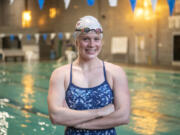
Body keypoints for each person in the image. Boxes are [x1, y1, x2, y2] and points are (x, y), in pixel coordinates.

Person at [47, 16, 130, 135]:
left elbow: (123, 116)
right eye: (86, 39)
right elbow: (55, 116)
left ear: (101, 42)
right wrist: (100, 112)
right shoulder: (61, 74)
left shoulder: (115, 73)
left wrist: (79, 124)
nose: (92, 44)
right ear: (76, 42)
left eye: (96, 39)